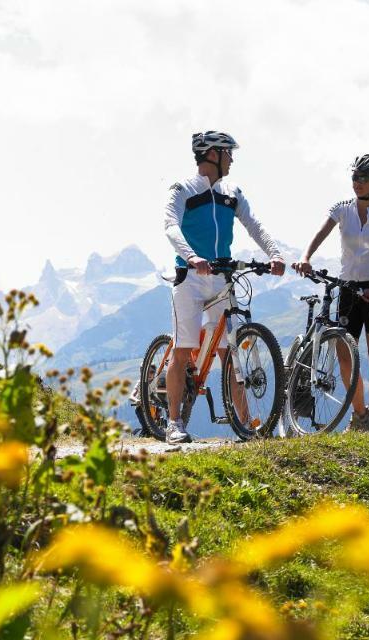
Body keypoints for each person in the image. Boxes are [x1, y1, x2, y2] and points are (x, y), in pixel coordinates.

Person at [162, 131, 285, 444]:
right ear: (213, 154)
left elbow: (254, 224)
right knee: (182, 349)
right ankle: (173, 422)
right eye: (229, 153)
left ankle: (247, 423)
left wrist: (274, 253)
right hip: (189, 277)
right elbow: (171, 226)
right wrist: (191, 257)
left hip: (221, 276)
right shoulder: (183, 189)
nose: (232, 159)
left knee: (229, 350)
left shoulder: (233, 192)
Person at [295, 153, 369, 431]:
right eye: (354, 177)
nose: (357, 182)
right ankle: (359, 414)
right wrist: (306, 256)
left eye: (364, 178)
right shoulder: (342, 209)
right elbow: (320, 234)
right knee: (345, 354)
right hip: (348, 291)